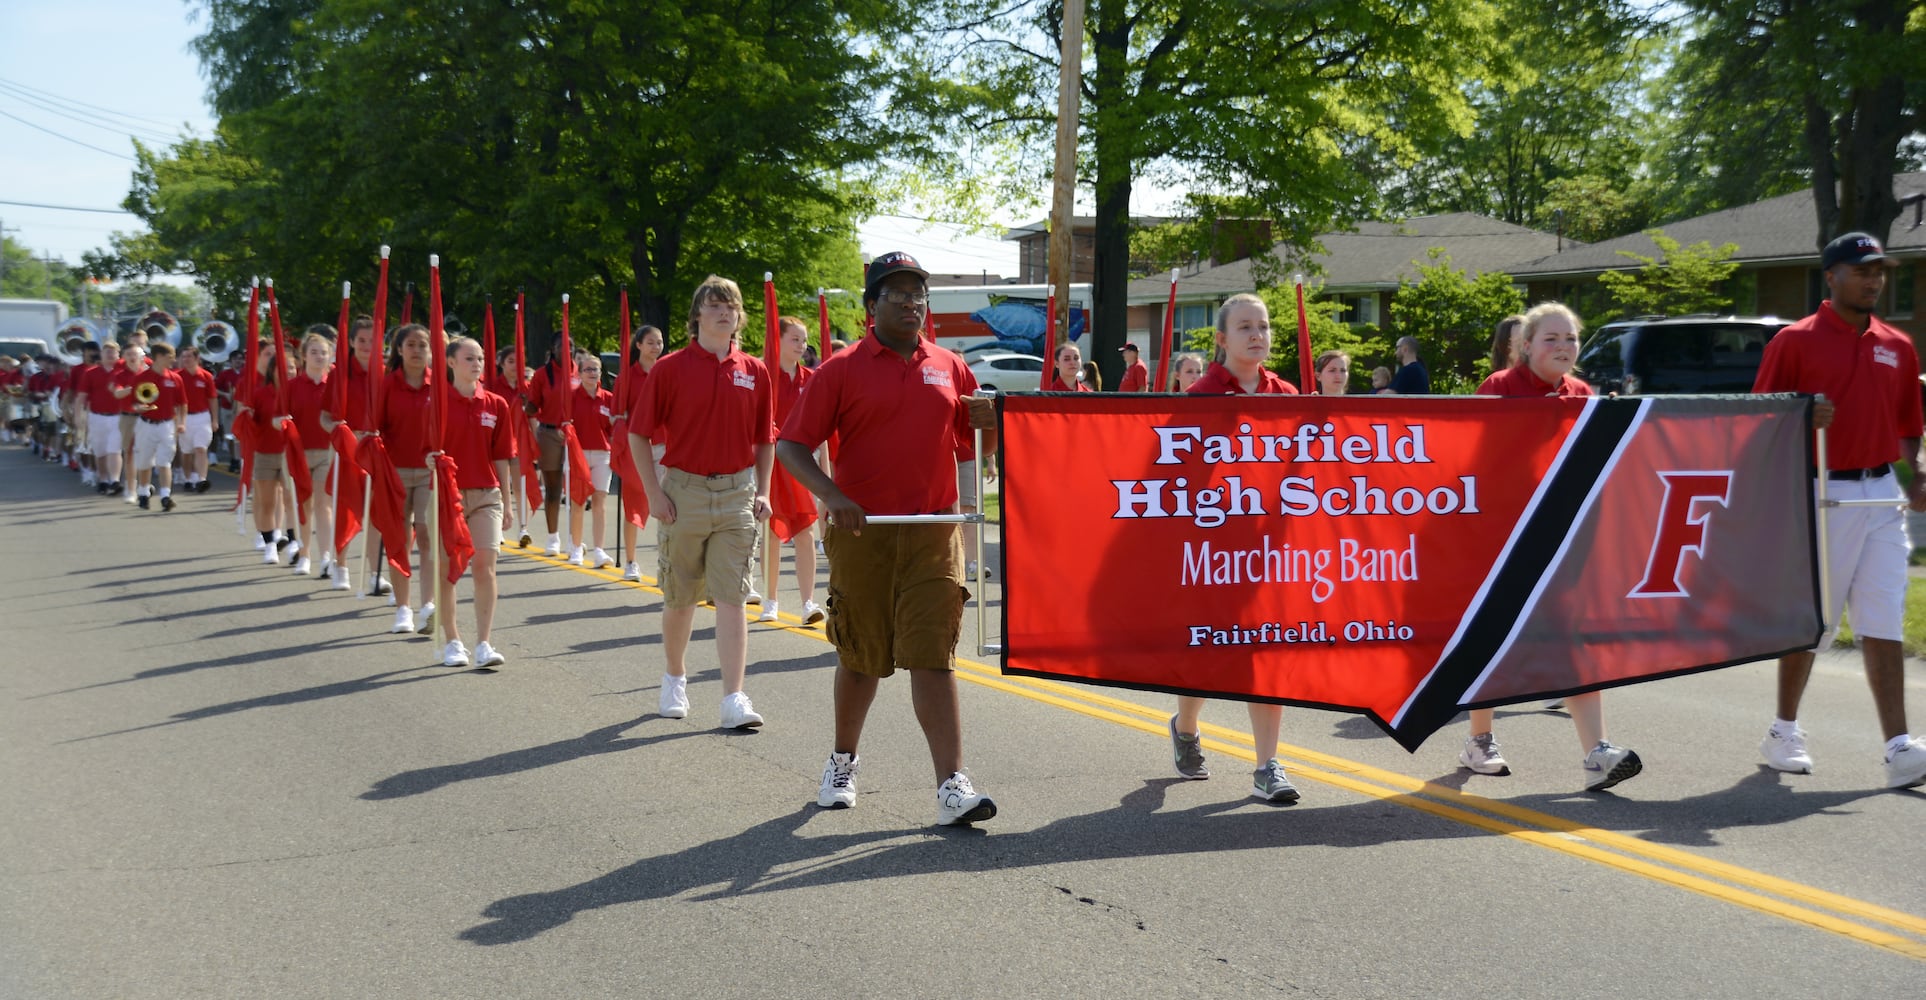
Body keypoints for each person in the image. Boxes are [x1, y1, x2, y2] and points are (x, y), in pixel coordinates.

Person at [776, 250, 1000, 826]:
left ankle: (953, 786)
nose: (909, 302)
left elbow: (975, 447)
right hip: (863, 533)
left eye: (917, 293)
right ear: (872, 305)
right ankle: (842, 762)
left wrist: (990, 428)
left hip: (932, 532)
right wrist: (833, 496)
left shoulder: (950, 366)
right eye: (895, 293)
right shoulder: (841, 369)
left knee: (934, 657)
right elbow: (792, 447)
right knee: (861, 657)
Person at [1752, 232, 1926, 789]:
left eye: (1879, 271)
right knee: (1814, 622)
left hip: (1880, 493)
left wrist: (1917, 472)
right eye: (1861, 270)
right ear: (1830, 276)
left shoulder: (1897, 344)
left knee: (1883, 617)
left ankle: (1899, 746)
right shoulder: (1794, 341)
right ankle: (1783, 731)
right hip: (1821, 491)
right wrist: (1803, 414)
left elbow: (1908, 426)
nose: (1873, 280)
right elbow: (1761, 419)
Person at [1464, 301, 1643, 791]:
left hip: (1566, 540)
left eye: (1570, 339)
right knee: (1494, 642)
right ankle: (1480, 739)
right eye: (1551, 339)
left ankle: (1596, 752)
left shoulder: (1584, 394)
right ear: (1526, 346)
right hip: (1506, 540)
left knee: (1578, 642)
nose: (1563, 347)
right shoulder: (1498, 390)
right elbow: (1470, 465)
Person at [1169, 292, 1302, 802]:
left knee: (1265, 652)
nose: (1258, 334)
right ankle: (1185, 726)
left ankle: (1268, 766)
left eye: (1264, 326)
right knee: (1210, 651)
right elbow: (1177, 476)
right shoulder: (1201, 396)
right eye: (1245, 326)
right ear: (1222, 339)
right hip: (1217, 549)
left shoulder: (1286, 394)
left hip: (1271, 549)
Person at [630, 275, 775, 730]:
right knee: (681, 597)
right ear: (697, 316)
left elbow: (764, 439)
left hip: (736, 494)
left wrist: (764, 488)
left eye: (731, 305)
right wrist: (654, 493)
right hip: (684, 493)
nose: (724, 311)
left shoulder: (755, 371)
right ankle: (675, 677)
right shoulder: (671, 368)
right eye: (714, 304)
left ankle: (734, 697)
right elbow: (638, 432)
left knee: (732, 597)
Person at [436, 335, 516, 669]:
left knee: (484, 566)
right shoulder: (436, 402)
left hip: (487, 494)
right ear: (451, 362)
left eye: (481, 358)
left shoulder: (496, 404)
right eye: (469, 358)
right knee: (448, 571)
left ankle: (483, 642)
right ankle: (453, 640)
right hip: (446, 495)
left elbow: (502, 457)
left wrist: (508, 504)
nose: (477, 363)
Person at [375, 324, 440, 637]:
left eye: (423, 345)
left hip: (430, 471)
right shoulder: (387, 385)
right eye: (411, 345)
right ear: (399, 350)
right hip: (395, 470)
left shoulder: (440, 385)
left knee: (427, 536)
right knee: (398, 539)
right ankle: (403, 607)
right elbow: (374, 427)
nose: (417, 350)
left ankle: (428, 604)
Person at [759, 316, 823, 625]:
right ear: (778, 341)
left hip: (799, 461)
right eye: (794, 339)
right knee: (771, 530)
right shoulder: (764, 376)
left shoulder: (811, 379)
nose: (801, 346)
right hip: (770, 461)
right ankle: (770, 600)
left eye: (804, 340)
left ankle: (808, 602)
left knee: (805, 530)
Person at [321, 316, 383, 594]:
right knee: (346, 510)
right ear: (352, 342)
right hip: (347, 451)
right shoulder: (339, 373)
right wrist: (339, 432)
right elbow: (324, 417)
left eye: (372, 340)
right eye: (361, 340)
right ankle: (341, 565)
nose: (367, 345)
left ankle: (374, 573)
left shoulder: (385, 372)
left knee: (375, 515)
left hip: (376, 451)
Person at [234, 339, 298, 564]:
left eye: (292, 367)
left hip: (290, 454)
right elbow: (248, 425)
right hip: (265, 452)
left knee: (291, 500)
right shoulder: (260, 393)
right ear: (273, 371)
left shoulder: (297, 392)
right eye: (284, 367)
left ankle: (293, 542)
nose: (289, 371)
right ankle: (270, 543)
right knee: (268, 501)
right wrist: (248, 416)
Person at [614, 325, 665, 581]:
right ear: (638, 345)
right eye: (650, 342)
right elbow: (618, 414)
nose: (656, 347)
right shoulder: (626, 377)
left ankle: (665, 562)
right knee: (633, 501)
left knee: (668, 503)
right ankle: (631, 561)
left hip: (665, 445)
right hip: (638, 447)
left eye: (659, 342)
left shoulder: (667, 372)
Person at [286, 327, 337, 577]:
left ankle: (326, 555)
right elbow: (278, 417)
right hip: (300, 451)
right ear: (304, 356)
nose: (319, 356)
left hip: (327, 452)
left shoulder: (336, 386)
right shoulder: (293, 385)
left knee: (323, 503)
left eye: (324, 353)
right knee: (304, 504)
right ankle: (304, 553)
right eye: (314, 352)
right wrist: (280, 422)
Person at [523, 344, 576, 556]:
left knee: (575, 488)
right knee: (554, 489)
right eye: (561, 345)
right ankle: (553, 537)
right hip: (550, 434)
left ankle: (575, 539)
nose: (566, 349)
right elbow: (533, 407)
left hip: (574, 434)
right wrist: (525, 402)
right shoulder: (542, 374)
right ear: (553, 349)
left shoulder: (579, 371)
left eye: (569, 345)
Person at [567, 352, 615, 568]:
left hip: (603, 454)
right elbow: (564, 423)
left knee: (600, 502)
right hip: (578, 454)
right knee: (578, 502)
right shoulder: (571, 396)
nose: (592, 373)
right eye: (587, 369)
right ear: (579, 372)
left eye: (595, 369)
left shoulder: (608, 398)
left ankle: (599, 551)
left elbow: (614, 429)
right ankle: (576, 548)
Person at [125, 343, 187, 511]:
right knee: (144, 461)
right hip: (146, 424)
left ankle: (166, 496)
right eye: (170, 356)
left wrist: (181, 422)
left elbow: (182, 404)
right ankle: (144, 493)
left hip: (167, 425)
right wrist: (139, 408)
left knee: (164, 461)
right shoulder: (141, 378)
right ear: (159, 357)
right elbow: (134, 403)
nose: (174, 360)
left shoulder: (175, 378)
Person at [76, 341, 124, 495]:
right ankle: (103, 479)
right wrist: (78, 417)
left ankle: (115, 480)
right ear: (101, 355)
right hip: (96, 416)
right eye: (107, 352)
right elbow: (81, 397)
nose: (110, 355)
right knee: (100, 452)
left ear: (118, 355)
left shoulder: (123, 372)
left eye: (113, 352)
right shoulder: (90, 373)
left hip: (118, 417)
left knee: (114, 450)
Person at [175, 345, 217, 493]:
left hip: (202, 416)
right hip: (184, 417)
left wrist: (214, 419)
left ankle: (201, 479)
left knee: (200, 448)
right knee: (186, 452)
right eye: (183, 356)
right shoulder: (177, 376)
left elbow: (212, 399)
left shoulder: (206, 376)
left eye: (189, 356)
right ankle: (187, 478)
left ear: (197, 359)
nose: (186, 359)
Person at [216, 352, 245, 471]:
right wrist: (226, 394)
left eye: (240, 359)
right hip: (227, 408)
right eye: (235, 359)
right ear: (231, 360)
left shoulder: (246, 373)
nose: (238, 361)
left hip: (241, 409)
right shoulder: (224, 374)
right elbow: (214, 388)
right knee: (230, 435)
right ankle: (233, 459)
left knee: (241, 436)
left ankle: (240, 459)